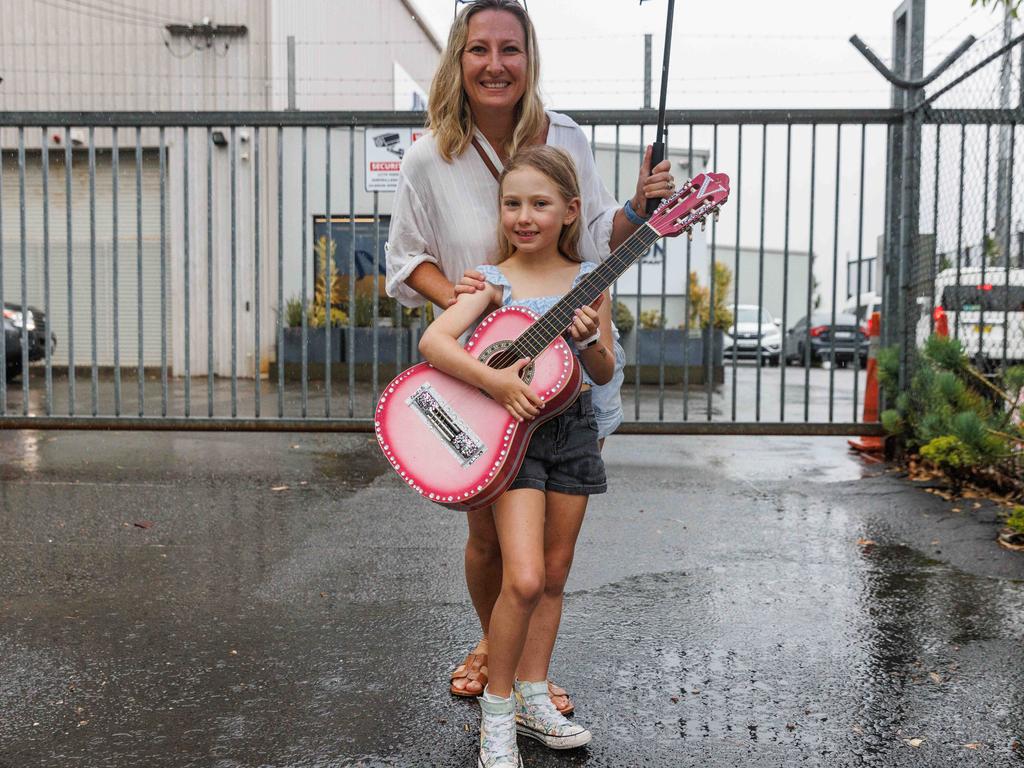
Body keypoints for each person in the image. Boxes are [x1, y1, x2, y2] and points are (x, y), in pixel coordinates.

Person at [384, 0, 674, 714]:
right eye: (478, 49)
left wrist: (640, 204)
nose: (494, 64)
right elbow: (405, 259)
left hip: (567, 368)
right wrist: (471, 302)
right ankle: (494, 649)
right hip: (484, 369)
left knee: (548, 550)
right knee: (487, 531)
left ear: (529, 58)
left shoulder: (566, 137)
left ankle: (526, 676)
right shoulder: (428, 157)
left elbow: (603, 234)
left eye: (509, 49)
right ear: (458, 58)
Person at [418, 144, 611, 766]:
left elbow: (603, 367)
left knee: (554, 576)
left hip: (573, 430)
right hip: (515, 438)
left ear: (570, 210)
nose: (524, 216)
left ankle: (533, 693)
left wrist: (588, 344)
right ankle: (497, 714)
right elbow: (434, 340)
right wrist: (493, 381)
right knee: (522, 576)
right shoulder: (493, 281)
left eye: (539, 203)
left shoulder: (588, 283)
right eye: (512, 203)